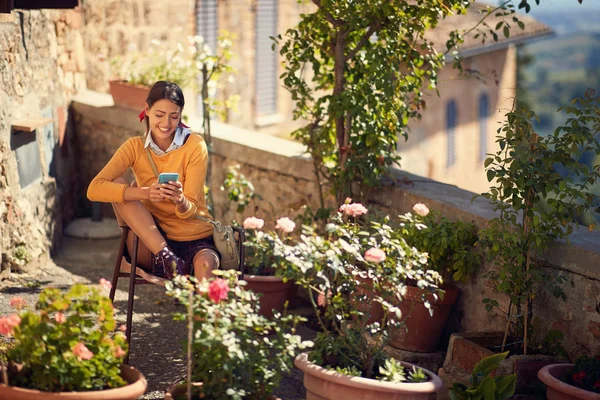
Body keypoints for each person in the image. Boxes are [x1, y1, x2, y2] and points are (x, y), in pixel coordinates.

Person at [87, 80, 219, 281]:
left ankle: (193, 295)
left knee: (206, 266)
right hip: (151, 243)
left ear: (180, 115)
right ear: (147, 110)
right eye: (159, 115)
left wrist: (181, 201)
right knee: (118, 183)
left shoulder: (194, 145)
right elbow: (94, 189)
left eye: (173, 116)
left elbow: (191, 208)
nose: (166, 124)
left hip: (195, 238)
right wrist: (145, 192)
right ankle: (169, 260)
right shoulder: (134, 147)